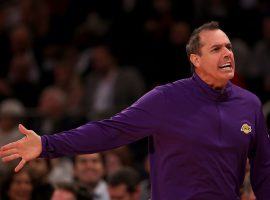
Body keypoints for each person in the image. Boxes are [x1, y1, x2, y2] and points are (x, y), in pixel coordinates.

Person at [1, 21, 270, 200]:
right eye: (216, 48)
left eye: (229, 47)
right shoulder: (166, 99)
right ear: (196, 60)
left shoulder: (250, 104)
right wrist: (47, 145)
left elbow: (263, 169)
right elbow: (109, 131)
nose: (227, 53)